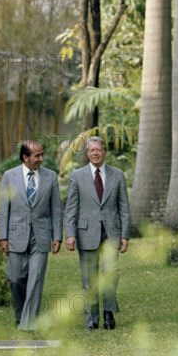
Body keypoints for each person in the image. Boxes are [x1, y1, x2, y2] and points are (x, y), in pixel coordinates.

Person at [65, 136, 130, 331]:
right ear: (87, 154)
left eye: (98, 150)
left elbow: (124, 207)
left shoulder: (117, 175)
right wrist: (70, 234)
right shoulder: (77, 176)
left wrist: (125, 235)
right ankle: (91, 319)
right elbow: (71, 208)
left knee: (111, 273)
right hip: (86, 233)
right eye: (91, 150)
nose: (95, 153)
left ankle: (108, 313)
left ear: (104, 152)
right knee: (89, 278)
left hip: (111, 232)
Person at [0, 140, 62, 331]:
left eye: (42, 155)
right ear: (25, 157)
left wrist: (57, 236)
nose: (41, 159)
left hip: (41, 236)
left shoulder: (51, 177)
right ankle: (20, 317)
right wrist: (3, 237)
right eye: (37, 156)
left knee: (35, 279)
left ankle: (28, 324)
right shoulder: (9, 177)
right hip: (16, 234)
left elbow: (56, 209)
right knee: (16, 279)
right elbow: (4, 210)